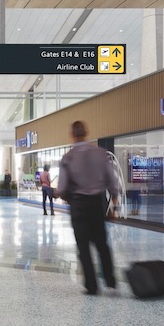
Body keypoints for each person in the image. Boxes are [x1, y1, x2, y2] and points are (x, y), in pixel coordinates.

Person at [56, 121, 121, 295]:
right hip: (96, 204)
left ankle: (91, 286)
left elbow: (62, 188)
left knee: (83, 246)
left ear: (72, 134)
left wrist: (61, 194)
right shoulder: (100, 154)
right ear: (86, 132)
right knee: (102, 244)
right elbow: (112, 182)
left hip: (78, 206)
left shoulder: (68, 158)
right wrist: (114, 207)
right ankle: (111, 283)